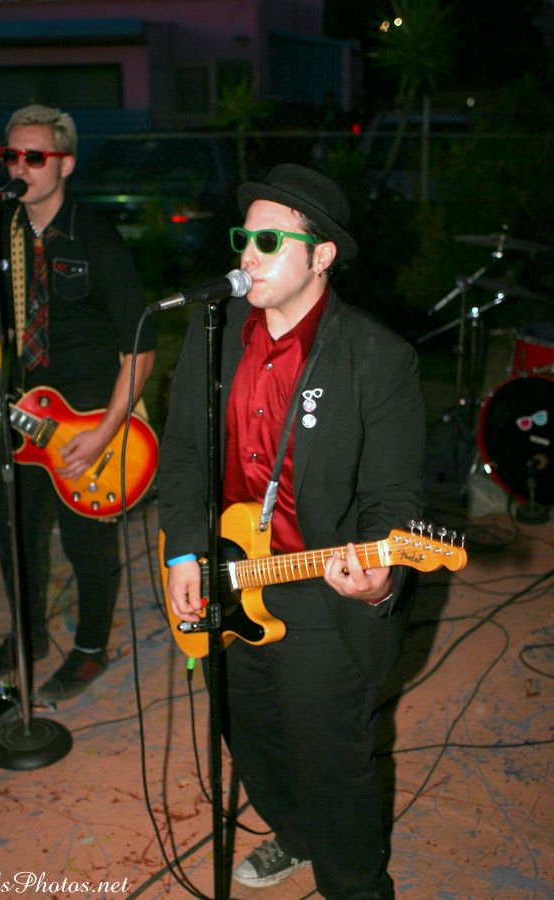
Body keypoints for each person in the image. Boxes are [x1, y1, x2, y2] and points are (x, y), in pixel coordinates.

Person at [157, 163, 426, 898]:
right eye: (244, 238)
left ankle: (355, 886)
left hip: (319, 585)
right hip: (227, 571)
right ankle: (296, 835)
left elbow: (394, 497)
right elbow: (182, 452)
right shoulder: (212, 335)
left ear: (322, 255)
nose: (248, 254)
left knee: (331, 759)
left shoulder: (379, 358)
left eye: (269, 241)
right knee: (249, 733)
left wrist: (381, 577)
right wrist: (184, 552)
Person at [0, 104, 156, 702]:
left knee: (84, 544)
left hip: (88, 420)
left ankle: (90, 650)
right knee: (14, 533)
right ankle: (27, 639)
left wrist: (104, 434)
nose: (20, 167)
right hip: (23, 413)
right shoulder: (3, 236)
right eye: (11, 156)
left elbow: (141, 347)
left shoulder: (97, 238)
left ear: (65, 163)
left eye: (34, 156)